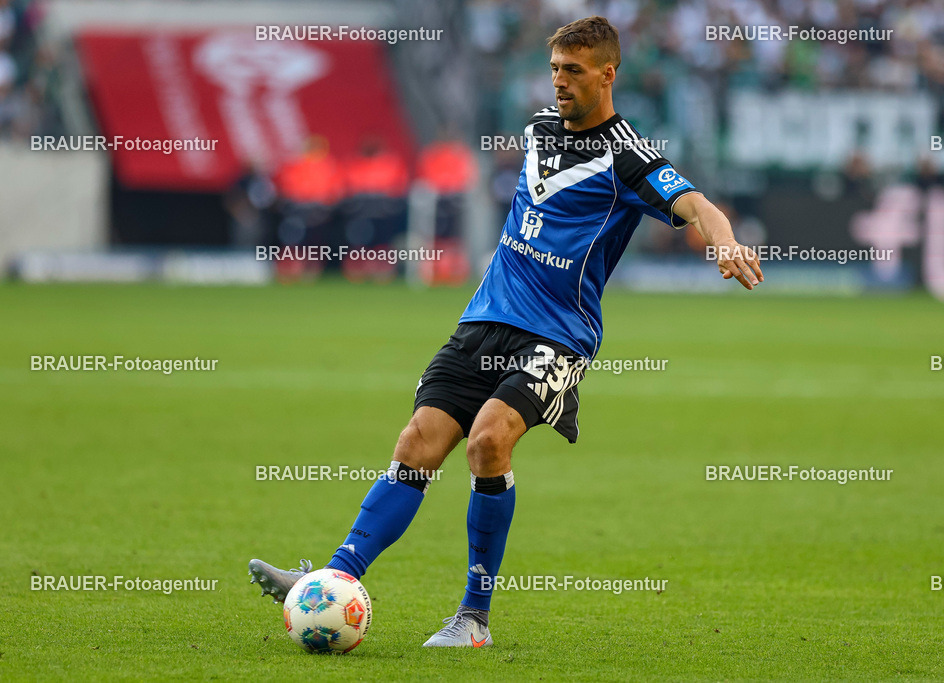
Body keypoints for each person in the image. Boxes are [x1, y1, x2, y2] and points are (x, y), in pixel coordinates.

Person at [249, 15, 762, 648]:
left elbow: (697, 205)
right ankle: (330, 579)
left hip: (558, 336)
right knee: (416, 444)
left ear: (608, 74)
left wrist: (725, 242)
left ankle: (473, 618)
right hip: (484, 320)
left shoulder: (629, 158)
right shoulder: (540, 128)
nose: (559, 82)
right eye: (554, 69)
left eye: (574, 71)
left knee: (489, 441)